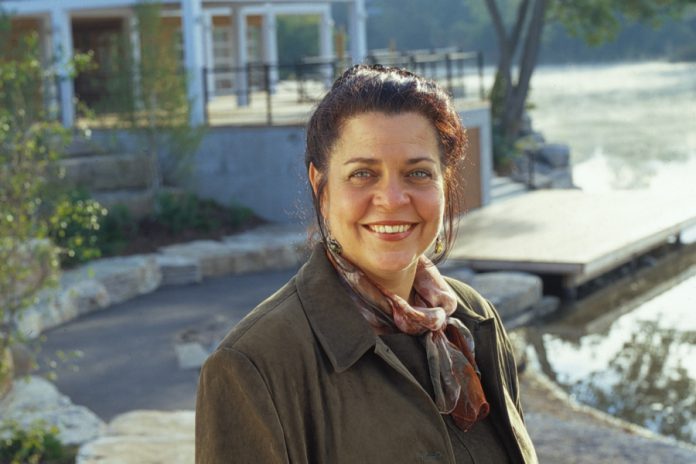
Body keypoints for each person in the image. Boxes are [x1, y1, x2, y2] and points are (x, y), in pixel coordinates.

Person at [195, 64, 538, 463]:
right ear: (320, 187)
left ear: (445, 182)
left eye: (418, 173)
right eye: (362, 174)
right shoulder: (256, 365)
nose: (392, 199)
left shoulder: (475, 320)